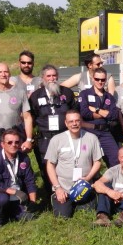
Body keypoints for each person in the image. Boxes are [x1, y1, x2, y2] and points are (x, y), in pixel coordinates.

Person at [28, 64, 78, 192]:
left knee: (66, 165)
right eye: (48, 76)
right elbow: (31, 117)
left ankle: (69, 192)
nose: (52, 78)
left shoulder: (67, 92)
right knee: (46, 167)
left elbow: (75, 112)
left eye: (54, 75)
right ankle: (51, 195)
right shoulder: (35, 96)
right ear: (43, 78)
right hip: (45, 139)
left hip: (64, 136)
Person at [45, 110, 103, 218]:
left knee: (87, 213)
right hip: (64, 188)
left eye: (77, 121)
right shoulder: (56, 140)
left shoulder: (92, 138)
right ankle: (58, 198)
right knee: (63, 216)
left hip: (85, 187)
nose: (74, 124)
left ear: (81, 121)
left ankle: (85, 200)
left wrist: (88, 178)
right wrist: (57, 188)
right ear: (66, 123)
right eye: (71, 121)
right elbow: (50, 165)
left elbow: (97, 161)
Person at [0, 128, 38, 227]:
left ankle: (12, 212)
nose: (13, 145)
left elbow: (30, 180)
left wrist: (33, 202)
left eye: (16, 142)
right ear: (2, 144)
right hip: (0, 194)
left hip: (18, 197)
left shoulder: (24, 158)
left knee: (29, 217)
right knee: (2, 199)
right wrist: (15, 192)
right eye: (9, 142)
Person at [78, 66, 120, 168]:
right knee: (87, 162)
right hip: (88, 132)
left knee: (116, 159)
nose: (100, 82)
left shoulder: (109, 97)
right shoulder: (84, 94)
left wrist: (96, 110)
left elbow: (114, 115)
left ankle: (113, 178)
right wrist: (105, 114)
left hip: (105, 132)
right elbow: (84, 113)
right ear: (93, 79)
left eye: (103, 79)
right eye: (97, 79)